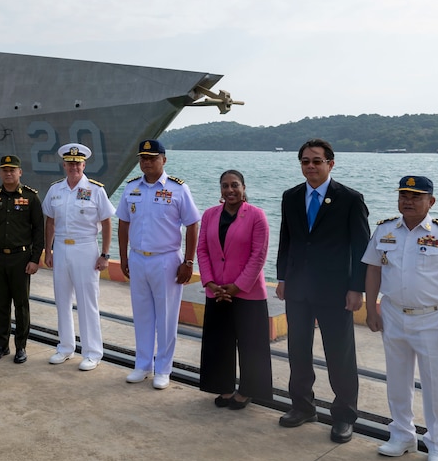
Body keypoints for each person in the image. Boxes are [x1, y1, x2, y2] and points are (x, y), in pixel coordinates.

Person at [363, 176, 438, 461]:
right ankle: (402, 435)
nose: (408, 201)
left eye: (416, 196)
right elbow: (373, 270)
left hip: (433, 318)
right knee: (397, 380)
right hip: (393, 314)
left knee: (435, 384)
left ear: (431, 202)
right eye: (403, 195)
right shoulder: (385, 229)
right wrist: (371, 308)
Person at [275, 138, 370, 443]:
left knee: (339, 355)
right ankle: (302, 407)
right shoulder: (291, 197)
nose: (311, 166)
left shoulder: (350, 199)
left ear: (331, 163)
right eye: (305, 161)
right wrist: (282, 278)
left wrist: (358, 288)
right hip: (298, 288)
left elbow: (361, 248)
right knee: (298, 350)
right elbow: (286, 240)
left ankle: (343, 416)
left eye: (317, 161)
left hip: (335, 290)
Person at [116, 140, 200, 389]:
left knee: (166, 317)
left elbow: (193, 224)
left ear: (164, 160)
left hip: (166, 260)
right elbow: (123, 223)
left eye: (152, 158)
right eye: (143, 158)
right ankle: (142, 365)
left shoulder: (178, 189)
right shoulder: (131, 188)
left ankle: (163, 369)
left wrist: (188, 261)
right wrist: (122, 257)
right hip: (138, 258)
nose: (147, 162)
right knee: (142, 315)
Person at [196, 170, 273, 409]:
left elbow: (258, 254)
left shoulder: (257, 216)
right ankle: (224, 387)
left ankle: (248, 390)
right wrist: (209, 282)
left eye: (234, 185)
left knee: (251, 344)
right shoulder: (210, 215)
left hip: (247, 292)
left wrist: (238, 286)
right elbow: (202, 250)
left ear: (243, 187)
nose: (230, 190)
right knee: (219, 342)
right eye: (225, 186)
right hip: (217, 289)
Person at [42, 143, 115, 371]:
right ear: (64, 165)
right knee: (62, 299)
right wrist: (49, 249)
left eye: (78, 163)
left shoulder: (96, 190)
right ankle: (65, 347)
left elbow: (107, 222)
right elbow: (50, 222)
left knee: (87, 301)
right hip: (62, 248)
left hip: (86, 249)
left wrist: (104, 254)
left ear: (84, 165)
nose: (74, 167)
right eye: (70, 163)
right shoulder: (55, 190)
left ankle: (93, 352)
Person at [0, 154, 44, 364]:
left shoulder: (31, 197)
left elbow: (38, 231)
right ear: (0, 172)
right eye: (5, 170)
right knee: (1, 303)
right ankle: (1, 345)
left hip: (21, 258)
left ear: (20, 172)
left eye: (12, 170)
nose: (8, 174)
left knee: (21, 305)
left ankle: (21, 347)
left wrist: (35, 259)